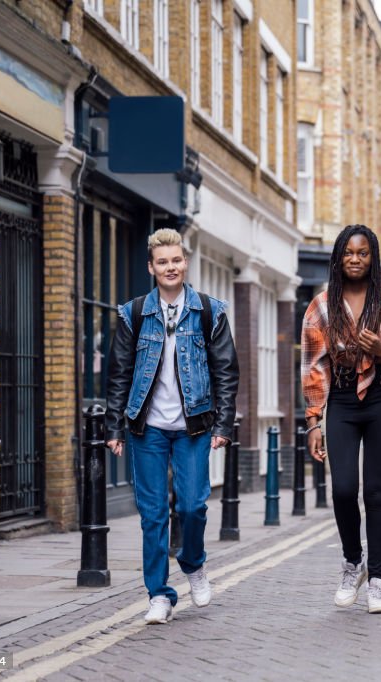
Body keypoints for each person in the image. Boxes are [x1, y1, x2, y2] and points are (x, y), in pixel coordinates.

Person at [106, 228, 239, 624]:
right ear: (151, 267)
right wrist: (114, 427)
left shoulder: (209, 312)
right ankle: (159, 594)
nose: (170, 267)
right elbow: (118, 374)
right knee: (153, 515)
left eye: (176, 260)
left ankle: (194, 564)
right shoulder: (132, 314)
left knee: (194, 505)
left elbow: (227, 372)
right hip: (146, 428)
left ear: (186, 263)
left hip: (194, 426)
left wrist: (224, 424)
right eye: (162, 262)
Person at [300, 224, 381, 614]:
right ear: (338, 258)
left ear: (373, 259)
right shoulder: (321, 307)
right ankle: (353, 562)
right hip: (342, 401)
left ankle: (378, 582)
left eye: (363, 253)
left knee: (375, 492)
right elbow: (314, 367)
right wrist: (314, 421)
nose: (356, 259)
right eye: (349, 253)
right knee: (342, 490)